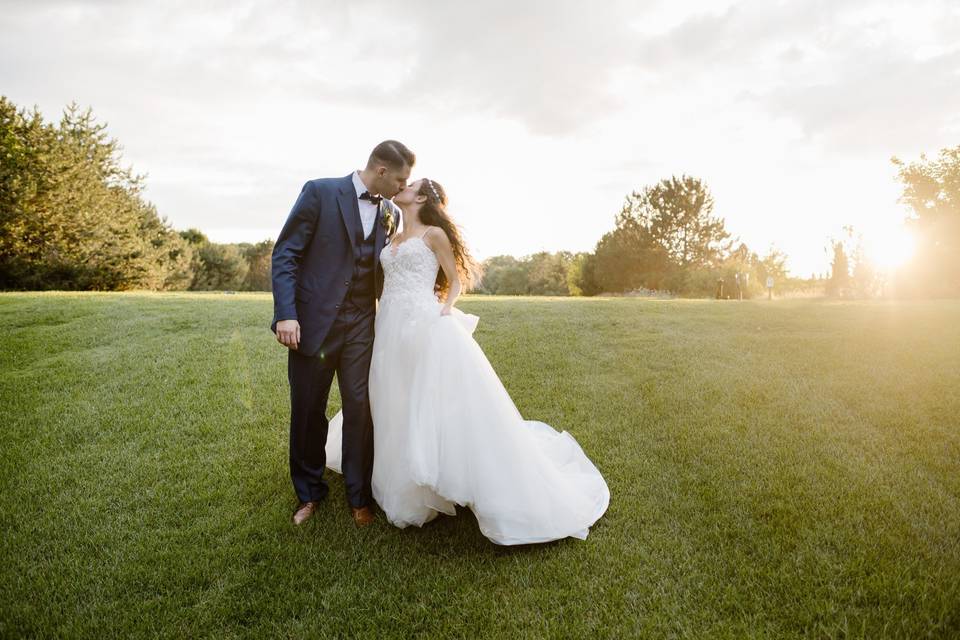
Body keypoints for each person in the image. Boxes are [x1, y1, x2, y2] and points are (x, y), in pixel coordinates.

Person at [325, 178, 610, 545]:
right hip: (389, 325)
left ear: (422, 197)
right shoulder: (391, 231)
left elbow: (456, 281)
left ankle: (428, 480)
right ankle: (391, 479)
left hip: (423, 322)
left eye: (408, 185)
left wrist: (445, 310)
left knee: (423, 398)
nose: (401, 187)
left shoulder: (433, 235)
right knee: (391, 396)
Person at [270, 140, 414, 527]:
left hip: (362, 327)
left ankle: (358, 495)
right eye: (400, 180)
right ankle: (309, 493)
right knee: (308, 411)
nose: (403, 188)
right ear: (381, 171)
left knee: (360, 410)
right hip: (313, 324)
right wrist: (286, 314)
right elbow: (285, 254)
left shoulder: (392, 212)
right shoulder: (319, 191)